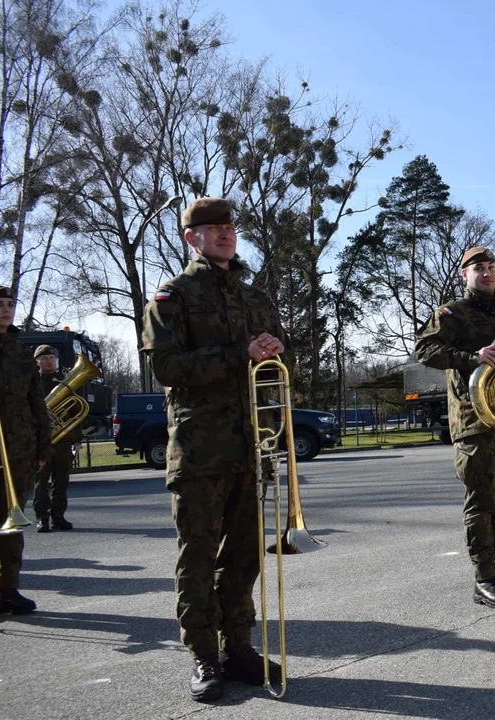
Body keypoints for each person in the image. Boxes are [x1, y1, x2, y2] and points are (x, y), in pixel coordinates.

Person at [140, 197, 288, 702]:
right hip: (199, 450)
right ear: (191, 238)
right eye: (213, 228)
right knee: (198, 558)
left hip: (250, 446)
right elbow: (166, 367)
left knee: (245, 556)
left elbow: (276, 346)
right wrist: (237, 354)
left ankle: (238, 647)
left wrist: (273, 348)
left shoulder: (254, 296)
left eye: (229, 226)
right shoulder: (171, 298)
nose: (226, 234)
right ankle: (203, 655)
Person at [415, 245, 495, 610]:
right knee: (481, 503)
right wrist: (471, 358)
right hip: (475, 420)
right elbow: (424, 349)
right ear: (464, 275)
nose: (486, 273)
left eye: (491, 267)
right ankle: (484, 578)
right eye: (478, 269)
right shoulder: (453, 312)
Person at [0, 284, 53, 624]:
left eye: (10, 304)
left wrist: (42, 446)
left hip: (19, 451)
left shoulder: (23, 353)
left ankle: (8, 590)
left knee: (11, 525)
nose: (6, 310)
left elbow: (36, 402)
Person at [32, 345, 84, 533]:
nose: (49, 361)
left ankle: (58, 516)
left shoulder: (63, 381)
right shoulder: (32, 382)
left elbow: (75, 411)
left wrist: (77, 438)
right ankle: (42, 518)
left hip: (62, 440)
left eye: (51, 358)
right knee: (41, 483)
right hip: (40, 440)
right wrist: (40, 411)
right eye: (44, 358)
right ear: (37, 362)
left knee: (61, 481)